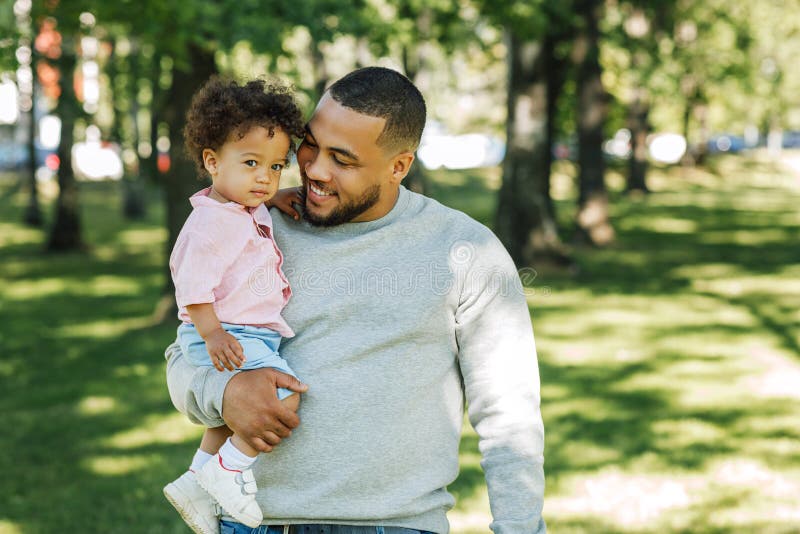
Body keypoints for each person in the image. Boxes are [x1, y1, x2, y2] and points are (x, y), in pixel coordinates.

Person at [164, 66, 546, 534]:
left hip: (394, 525)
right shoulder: (255, 224)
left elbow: (510, 414)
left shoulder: (465, 251)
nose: (315, 170)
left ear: (398, 166)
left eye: (342, 160)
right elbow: (184, 356)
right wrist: (223, 393)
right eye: (310, 146)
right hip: (253, 522)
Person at [162, 77, 306, 533]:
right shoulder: (211, 224)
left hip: (241, 331)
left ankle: (194, 479)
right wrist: (214, 334)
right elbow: (192, 290)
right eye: (251, 163)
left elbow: (258, 201)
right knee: (281, 396)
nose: (264, 177)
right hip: (229, 333)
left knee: (230, 418)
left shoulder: (241, 205)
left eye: (276, 167)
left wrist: (276, 200)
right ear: (211, 161)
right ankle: (227, 473)